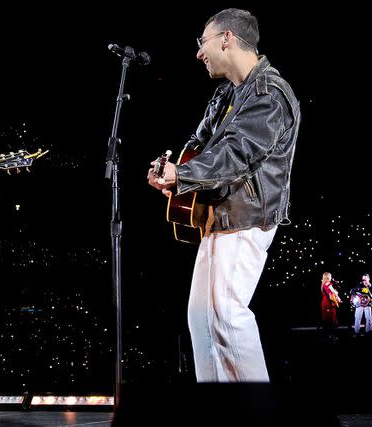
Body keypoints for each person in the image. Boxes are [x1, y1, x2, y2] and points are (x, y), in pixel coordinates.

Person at [147, 8, 300, 382]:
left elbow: (236, 153)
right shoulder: (228, 93)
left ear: (227, 39)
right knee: (202, 317)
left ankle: (259, 413)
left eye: (204, 42)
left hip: (246, 219)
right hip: (218, 217)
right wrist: (172, 167)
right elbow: (201, 144)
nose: (200, 53)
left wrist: (182, 175)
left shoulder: (269, 94)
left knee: (227, 316)